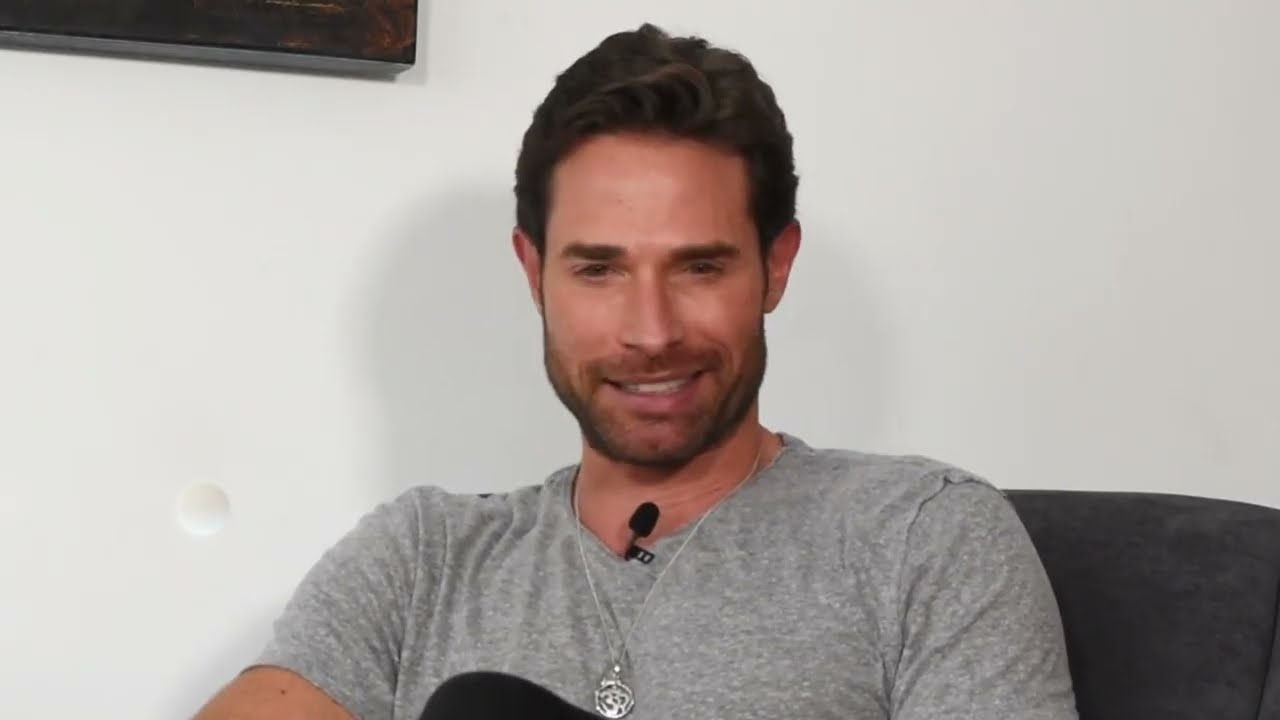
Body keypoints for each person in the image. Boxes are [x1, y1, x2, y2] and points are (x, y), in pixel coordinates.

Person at [194, 22, 1079, 720]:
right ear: (534, 273)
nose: (651, 333)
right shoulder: (422, 559)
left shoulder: (921, 540)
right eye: (599, 270)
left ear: (775, 267)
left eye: (700, 267)